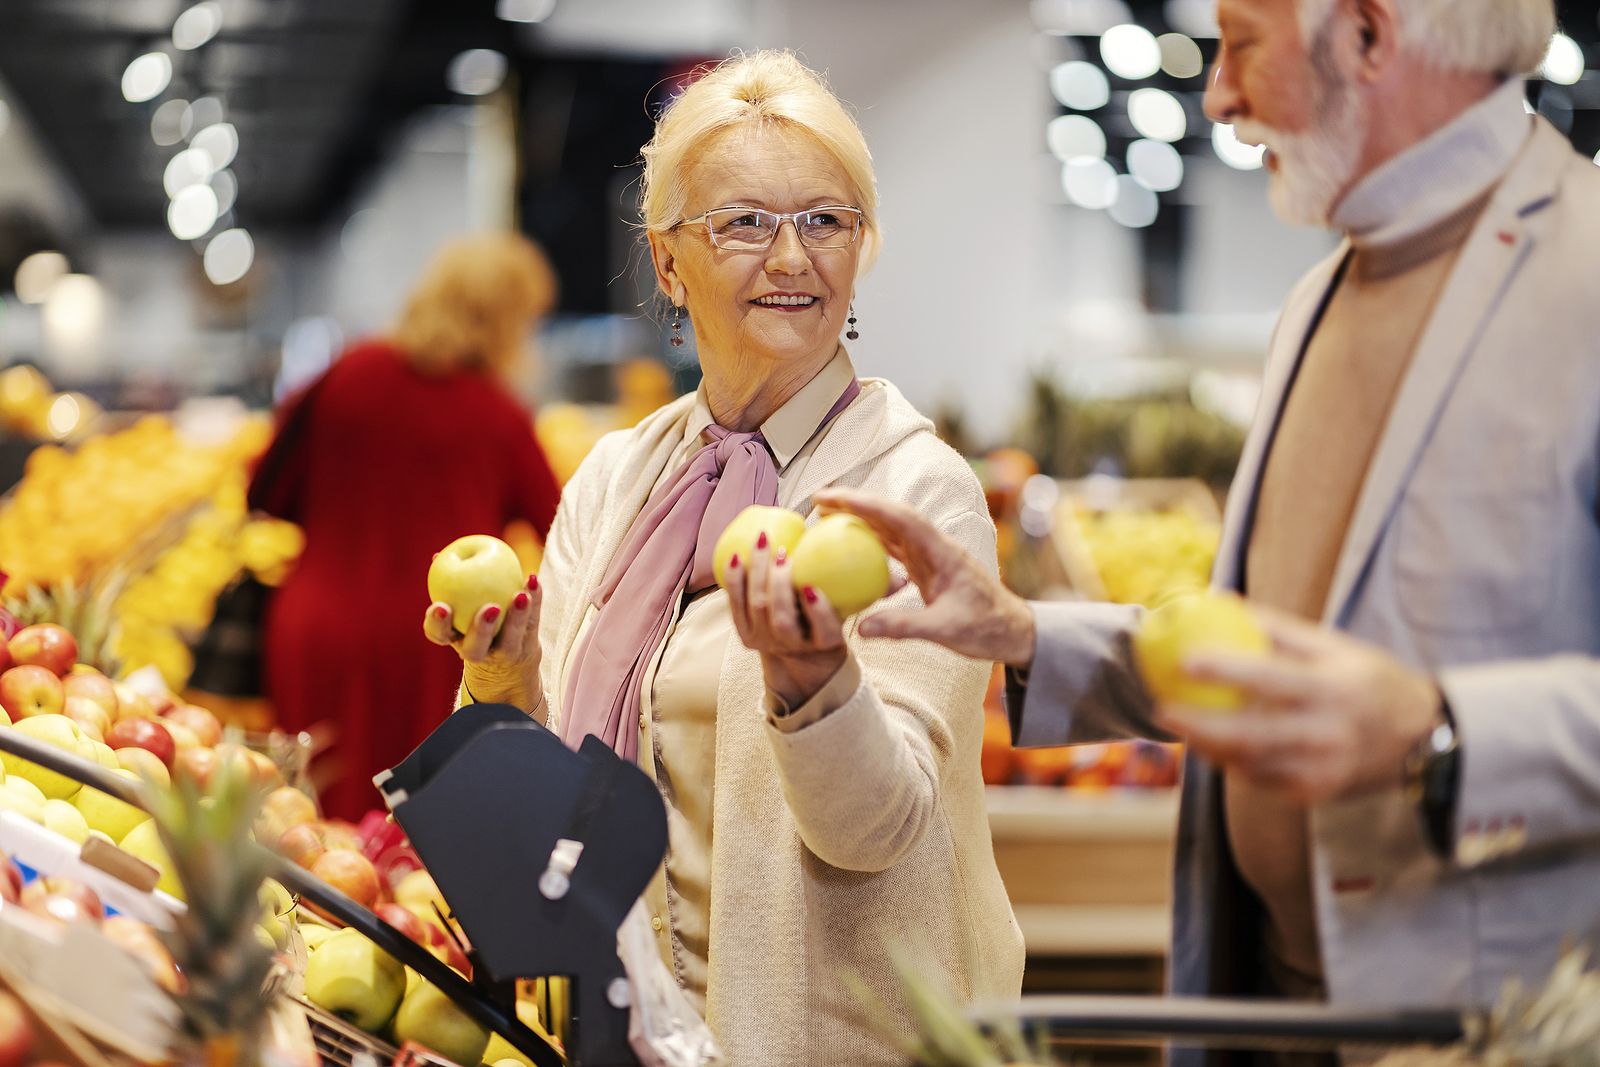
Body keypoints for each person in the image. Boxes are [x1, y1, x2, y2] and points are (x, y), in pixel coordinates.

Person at [820, 0, 1600, 1057]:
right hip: (1263, 1000)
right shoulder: (1318, 296)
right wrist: (1025, 632)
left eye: (1241, 43)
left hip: (1477, 1027)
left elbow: (1407, 710)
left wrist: (1441, 729)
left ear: (1370, 36)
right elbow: (1259, 652)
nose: (1217, 93)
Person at [424, 51, 1023, 1066]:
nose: (791, 258)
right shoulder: (619, 481)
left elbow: (882, 828)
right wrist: (499, 676)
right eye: (744, 223)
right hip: (624, 1030)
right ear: (668, 262)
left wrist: (814, 682)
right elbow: (554, 809)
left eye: (825, 221)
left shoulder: (914, 494)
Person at [251, 232, 562, 821]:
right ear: (503, 321)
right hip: (432, 642)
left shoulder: (346, 373)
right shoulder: (496, 413)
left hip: (317, 626)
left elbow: (265, 490)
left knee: (306, 819)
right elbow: (565, 527)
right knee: (406, 835)